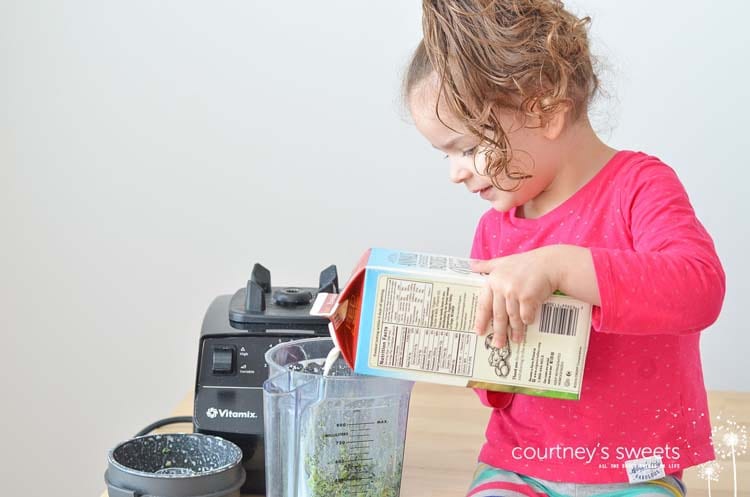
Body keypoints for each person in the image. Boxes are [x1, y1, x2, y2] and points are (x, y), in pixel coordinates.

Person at [403, 1, 725, 496]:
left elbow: (699, 287)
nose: (456, 172)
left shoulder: (640, 187)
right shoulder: (495, 230)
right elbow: (500, 384)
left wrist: (557, 266)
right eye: (444, 154)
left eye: (468, 148)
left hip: (633, 469)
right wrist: (464, 352)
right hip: (522, 464)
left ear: (546, 110)